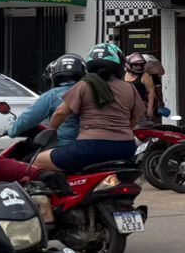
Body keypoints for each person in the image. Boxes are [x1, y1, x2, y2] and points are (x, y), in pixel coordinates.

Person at [34, 43, 144, 174]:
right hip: (126, 147)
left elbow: (60, 113)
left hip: (90, 147)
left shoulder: (84, 85)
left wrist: (51, 131)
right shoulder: (130, 88)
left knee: (37, 161)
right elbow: (135, 118)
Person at [10, 53, 85, 145]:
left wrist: (11, 131)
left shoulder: (52, 95)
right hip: (91, 143)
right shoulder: (91, 92)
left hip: (63, 145)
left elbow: (29, 116)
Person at [124, 52, 159, 126]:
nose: (139, 67)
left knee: (139, 127)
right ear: (129, 65)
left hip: (140, 107)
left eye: (141, 65)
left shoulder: (145, 75)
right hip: (125, 107)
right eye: (135, 65)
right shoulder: (124, 74)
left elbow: (151, 91)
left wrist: (150, 108)